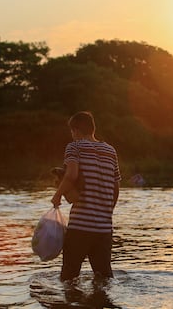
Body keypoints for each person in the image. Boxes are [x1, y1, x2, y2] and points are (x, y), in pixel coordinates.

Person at [51, 111, 121, 281]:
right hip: (104, 228)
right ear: (92, 129)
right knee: (104, 279)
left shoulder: (74, 147)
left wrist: (57, 195)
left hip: (80, 226)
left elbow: (72, 175)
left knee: (69, 278)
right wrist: (106, 212)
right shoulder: (110, 151)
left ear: (75, 130)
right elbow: (116, 187)